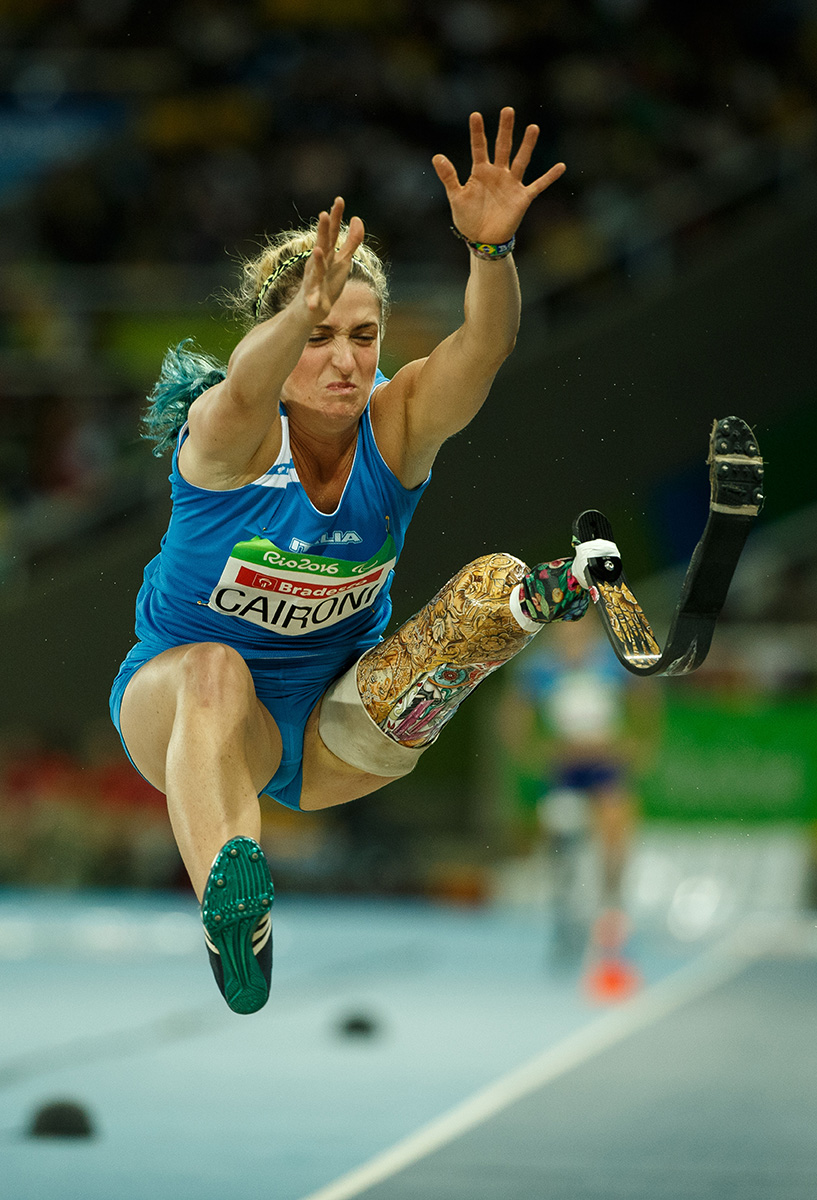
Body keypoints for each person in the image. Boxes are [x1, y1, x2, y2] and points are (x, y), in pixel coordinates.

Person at [110, 107, 599, 1015]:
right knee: (218, 670)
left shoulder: (397, 424)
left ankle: (528, 609)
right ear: (283, 335)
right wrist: (299, 309)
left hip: (337, 726)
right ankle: (236, 915)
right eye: (319, 335)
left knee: (482, 597)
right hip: (191, 714)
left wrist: (489, 255)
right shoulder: (229, 435)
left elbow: (483, 347)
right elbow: (251, 381)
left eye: (362, 337)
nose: (343, 360)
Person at [501, 612, 652, 993]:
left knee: (616, 839)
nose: (571, 636)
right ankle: (566, 920)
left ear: (587, 630)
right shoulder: (540, 667)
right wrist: (528, 752)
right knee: (561, 846)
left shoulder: (608, 659)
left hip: (605, 765)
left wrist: (639, 743)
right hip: (565, 769)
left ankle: (612, 916)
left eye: (577, 629)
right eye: (564, 630)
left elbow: (645, 697)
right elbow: (514, 711)